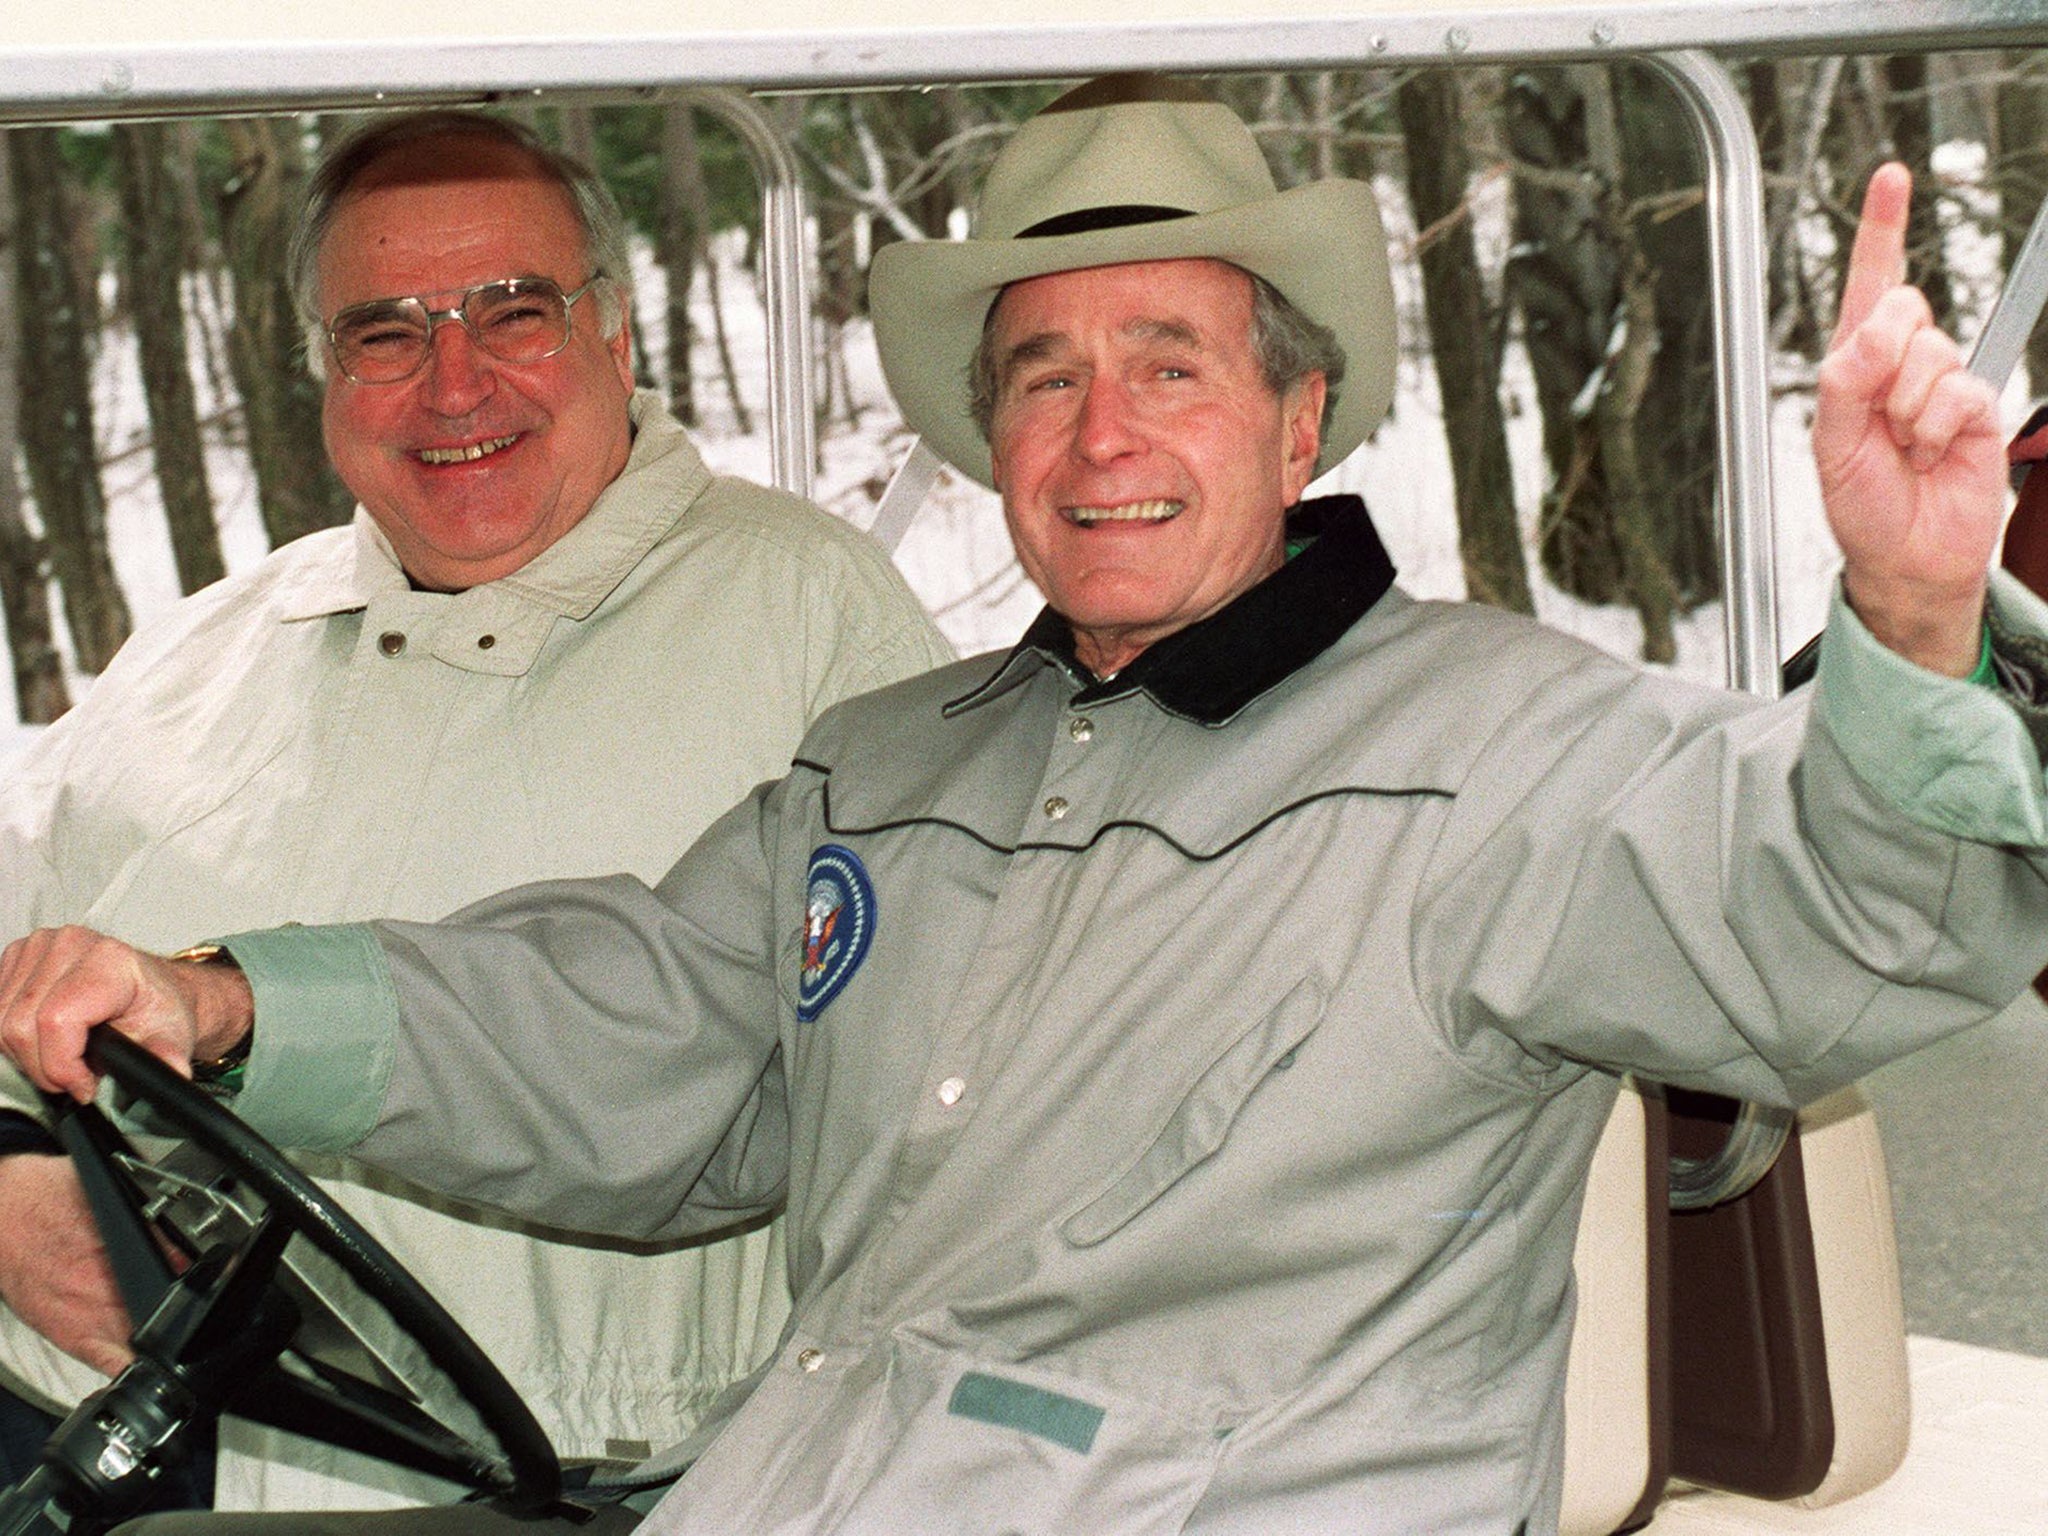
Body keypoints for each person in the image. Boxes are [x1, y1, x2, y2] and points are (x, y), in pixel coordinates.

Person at [8, 74, 2048, 1536]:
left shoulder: (1500, 742)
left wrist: (1908, 609)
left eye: (1170, 361)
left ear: (1296, 410)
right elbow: (643, 1026)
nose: (1101, 434)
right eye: (1044, 377)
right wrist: (232, 1004)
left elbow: (1839, 921)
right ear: (991, 442)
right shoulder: (900, 766)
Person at [0, 110, 951, 1515]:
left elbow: (926, 1087)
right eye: (385, 333)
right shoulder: (205, 654)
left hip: (571, 1474)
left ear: (616, 335)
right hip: (95, 1427)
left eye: (514, 312)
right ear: (322, 374)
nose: (453, 384)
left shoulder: (812, 617)